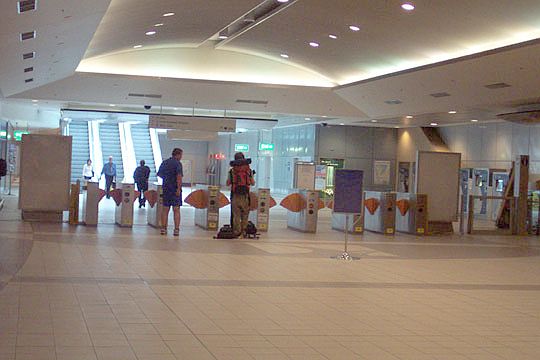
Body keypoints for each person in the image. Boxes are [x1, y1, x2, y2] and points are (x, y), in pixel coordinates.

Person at [227, 152, 255, 237]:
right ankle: (244, 232)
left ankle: (237, 232)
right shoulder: (248, 170)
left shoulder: (232, 170)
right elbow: (252, 183)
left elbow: (228, 183)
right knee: (245, 215)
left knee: (236, 215)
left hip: (235, 195)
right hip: (245, 195)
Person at [157, 148, 183, 236]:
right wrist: (178, 188)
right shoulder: (178, 164)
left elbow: (159, 174)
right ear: (178, 155)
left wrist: (167, 179)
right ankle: (176, 229)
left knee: (165, 209)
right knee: (176, 209)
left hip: (166, 188)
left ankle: (163, 228)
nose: (181, 157)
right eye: (181, 155)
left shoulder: (165, 162)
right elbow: (179, 176)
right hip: (175, 189)